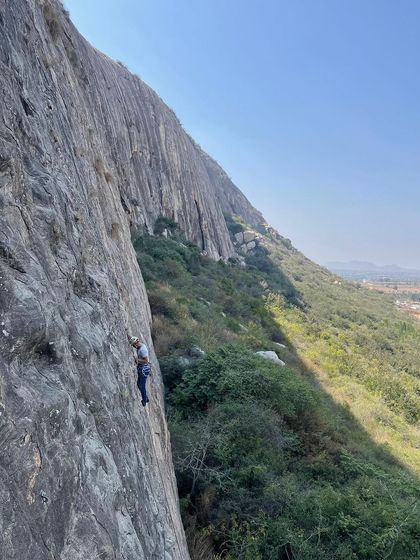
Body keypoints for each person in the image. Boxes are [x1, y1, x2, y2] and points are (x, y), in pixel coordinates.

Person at [129, 336, 151, 406]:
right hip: (142, 368)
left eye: (133, 345)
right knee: (139, 384)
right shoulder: (140, 346)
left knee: (142, 386)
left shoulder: (142, 350)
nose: (133, 347)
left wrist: (137, 360)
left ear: (135, 344)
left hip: (144, 369)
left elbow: (146, 360)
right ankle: (146, 398)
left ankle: (144, 400)